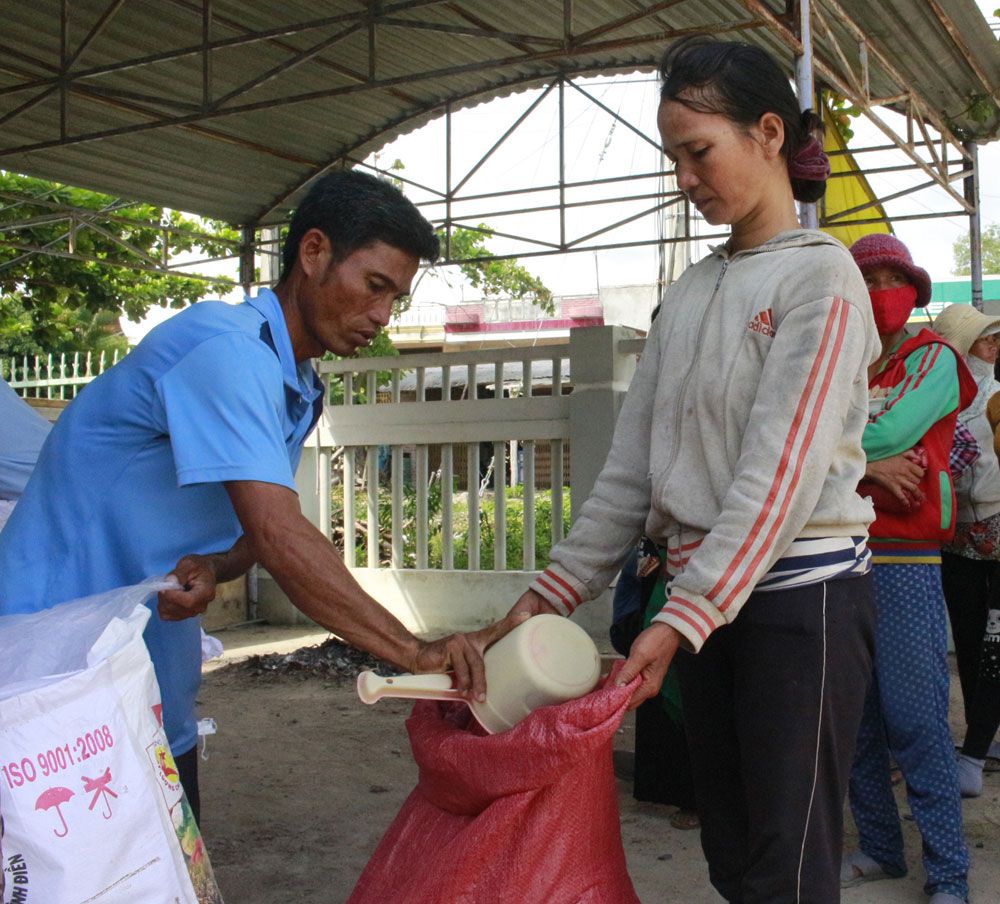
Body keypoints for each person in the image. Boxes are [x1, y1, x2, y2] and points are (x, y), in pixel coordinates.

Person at [0, 170, 520, 822]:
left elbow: (251, 536)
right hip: (43, 677)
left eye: (397, 299)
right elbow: (279, 535)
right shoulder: (224, 349)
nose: (383, 316)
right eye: (375, 286)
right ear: (313, 253)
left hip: (148, 692)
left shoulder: (296, 385)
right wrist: (413, 651)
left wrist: (214, 567)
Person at [508, 37, 880, 902]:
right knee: (732, 847)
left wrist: (680, 621)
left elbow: (778, 481)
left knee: (784, 865)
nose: (685, 178)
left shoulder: (822, 282)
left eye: (699, 151)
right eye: (674, 157)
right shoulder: (691, 294)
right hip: (702, 607)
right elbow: (631, 471)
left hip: (801, 604)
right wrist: (551, 592)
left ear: (768, 133)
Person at [841, 234, 974, 904]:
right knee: (855, 721)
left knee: (916, 720)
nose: (882, 291)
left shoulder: (937, 360)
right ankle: (880, 850)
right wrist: (864, 459)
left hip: (905, 558)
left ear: (916, 293)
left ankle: (949, 873)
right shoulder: (839, 365)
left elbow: (889, 435)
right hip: (835, 557)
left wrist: (844, 444)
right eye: (868, 279)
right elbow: (794, 436)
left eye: (895, 279)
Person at [932, 302, 1000, 797]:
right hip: (955, 540)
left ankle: (976, 750)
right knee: (972, 643)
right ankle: (985, 737)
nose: (994, 347)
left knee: (995, 646)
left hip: (998, 538)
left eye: (996, 339)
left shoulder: (997, 399)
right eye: (984, 338)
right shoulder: (941, 397)